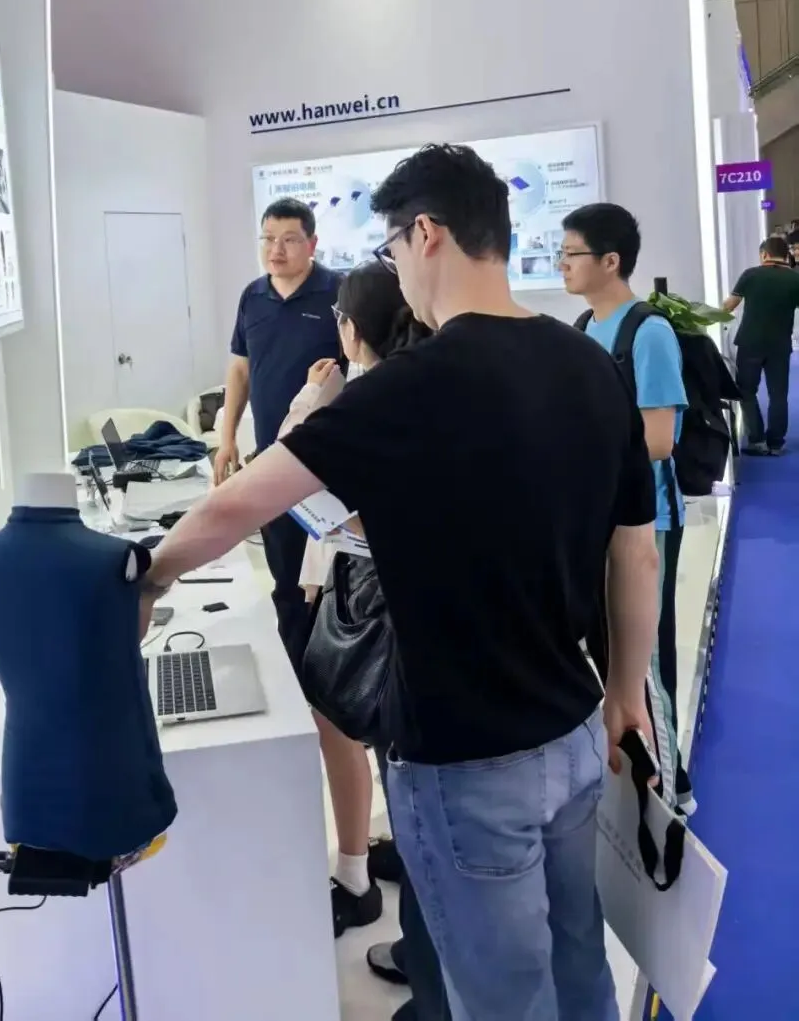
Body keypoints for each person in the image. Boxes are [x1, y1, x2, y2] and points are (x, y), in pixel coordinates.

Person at [146, 144, 659, 1021]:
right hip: (575, 731)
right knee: (581, 971)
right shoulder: (587, 364)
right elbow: (636, 551)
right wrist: (627, 692)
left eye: (391, 246)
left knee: (503, 1001)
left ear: (426, 233)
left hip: (463, 759)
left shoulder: (408, 387)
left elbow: (238, 503)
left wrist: (147, 575)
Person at [280, 265, 434, 949]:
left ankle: (355, 877)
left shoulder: (362, 399)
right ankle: (391, 857)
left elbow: (287, 464)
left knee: (347, 722)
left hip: (369, 591)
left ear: (349, 326)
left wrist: (311, 397)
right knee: (388, 736)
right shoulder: (420, 387)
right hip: (388, 587)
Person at [560, 203, 692, 814]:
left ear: (610, 261)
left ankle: (673, 791)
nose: (562, 264)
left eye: (572, 254)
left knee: (646, 661)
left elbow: (659, 439)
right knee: (612, 653)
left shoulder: (649, 332)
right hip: (597, 519)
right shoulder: (584, 326)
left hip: (648, 520)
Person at [214, 197, 340, 669]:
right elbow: (240, 371)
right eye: (268, 239)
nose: (276, 250)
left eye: (289, 240)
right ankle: (296, 674)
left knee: (328, 578)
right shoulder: (253, 296)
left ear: (312, 243)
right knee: (285, 577)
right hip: (271, 460)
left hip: (327, 464)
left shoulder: (338, 293)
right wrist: (227, 438)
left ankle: (333, 675)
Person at [724, 235, 799, 456]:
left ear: (764, 254)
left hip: (750, 343)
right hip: (780, 345)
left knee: (746, 391)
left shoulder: (751, 275)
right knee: (778, 394)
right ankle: (776, 444)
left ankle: (757, 440)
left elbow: (729, 306)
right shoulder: (795, 279)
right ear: (786, 255)